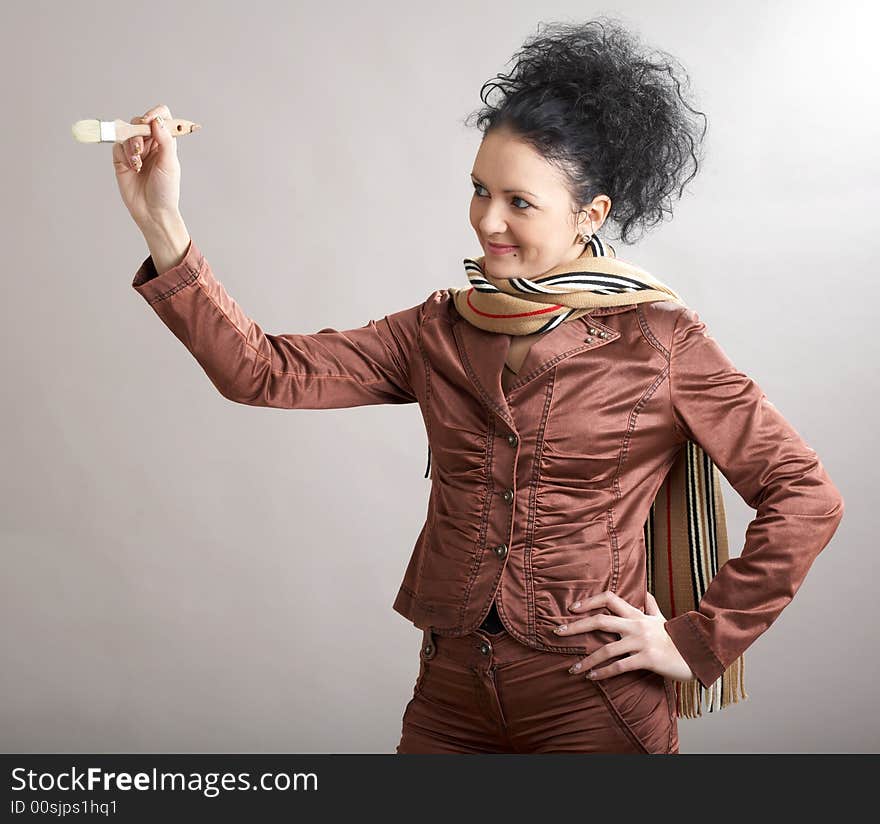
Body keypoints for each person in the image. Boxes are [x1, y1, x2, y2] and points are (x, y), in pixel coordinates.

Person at [113, 18, 844, 754]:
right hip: (450, 693)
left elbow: (805, 495)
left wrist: (696, 640)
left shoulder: (657, 339)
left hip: (594, 703)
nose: (487, 221)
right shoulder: (439, 328)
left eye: (519, 202)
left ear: (588, 216)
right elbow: (262, 372)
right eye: (478, 190)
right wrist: (160, 220)